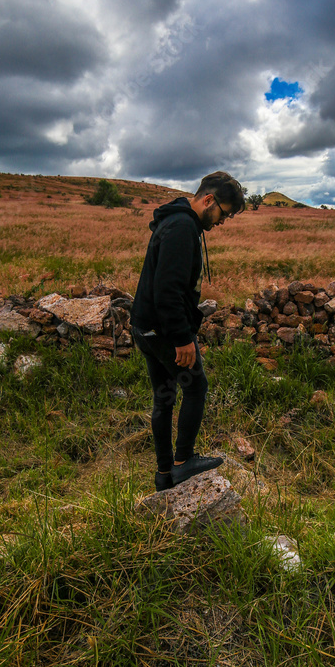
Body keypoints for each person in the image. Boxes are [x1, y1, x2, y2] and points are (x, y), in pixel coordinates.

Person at [130, 171, 247, 491]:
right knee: (196, 388)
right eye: (224, 213)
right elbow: (167, 291)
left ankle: (164, 475)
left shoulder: (177, 222)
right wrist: (182, 339)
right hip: (165, 330)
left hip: (146, 327)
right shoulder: (182, 228)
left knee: (164, 398)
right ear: (208, 200)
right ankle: (183, 462)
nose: (223, 221)